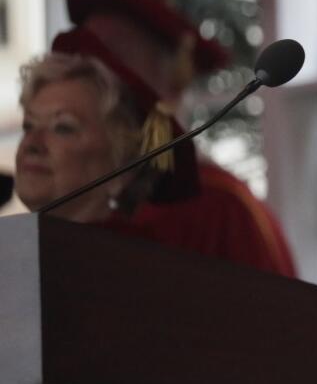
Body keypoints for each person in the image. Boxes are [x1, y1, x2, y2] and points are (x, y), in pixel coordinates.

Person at [63, 0, 295, 276]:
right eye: (79, 59)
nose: (87, 78)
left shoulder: (219, 210)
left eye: (111, 56)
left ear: (170, 80)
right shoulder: (72, 194)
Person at [16, 28, 201, 233]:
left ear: (123, 167)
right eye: (28, 126)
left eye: (63, 128)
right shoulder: (13, 251)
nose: (32, 143)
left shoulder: (138, 261)